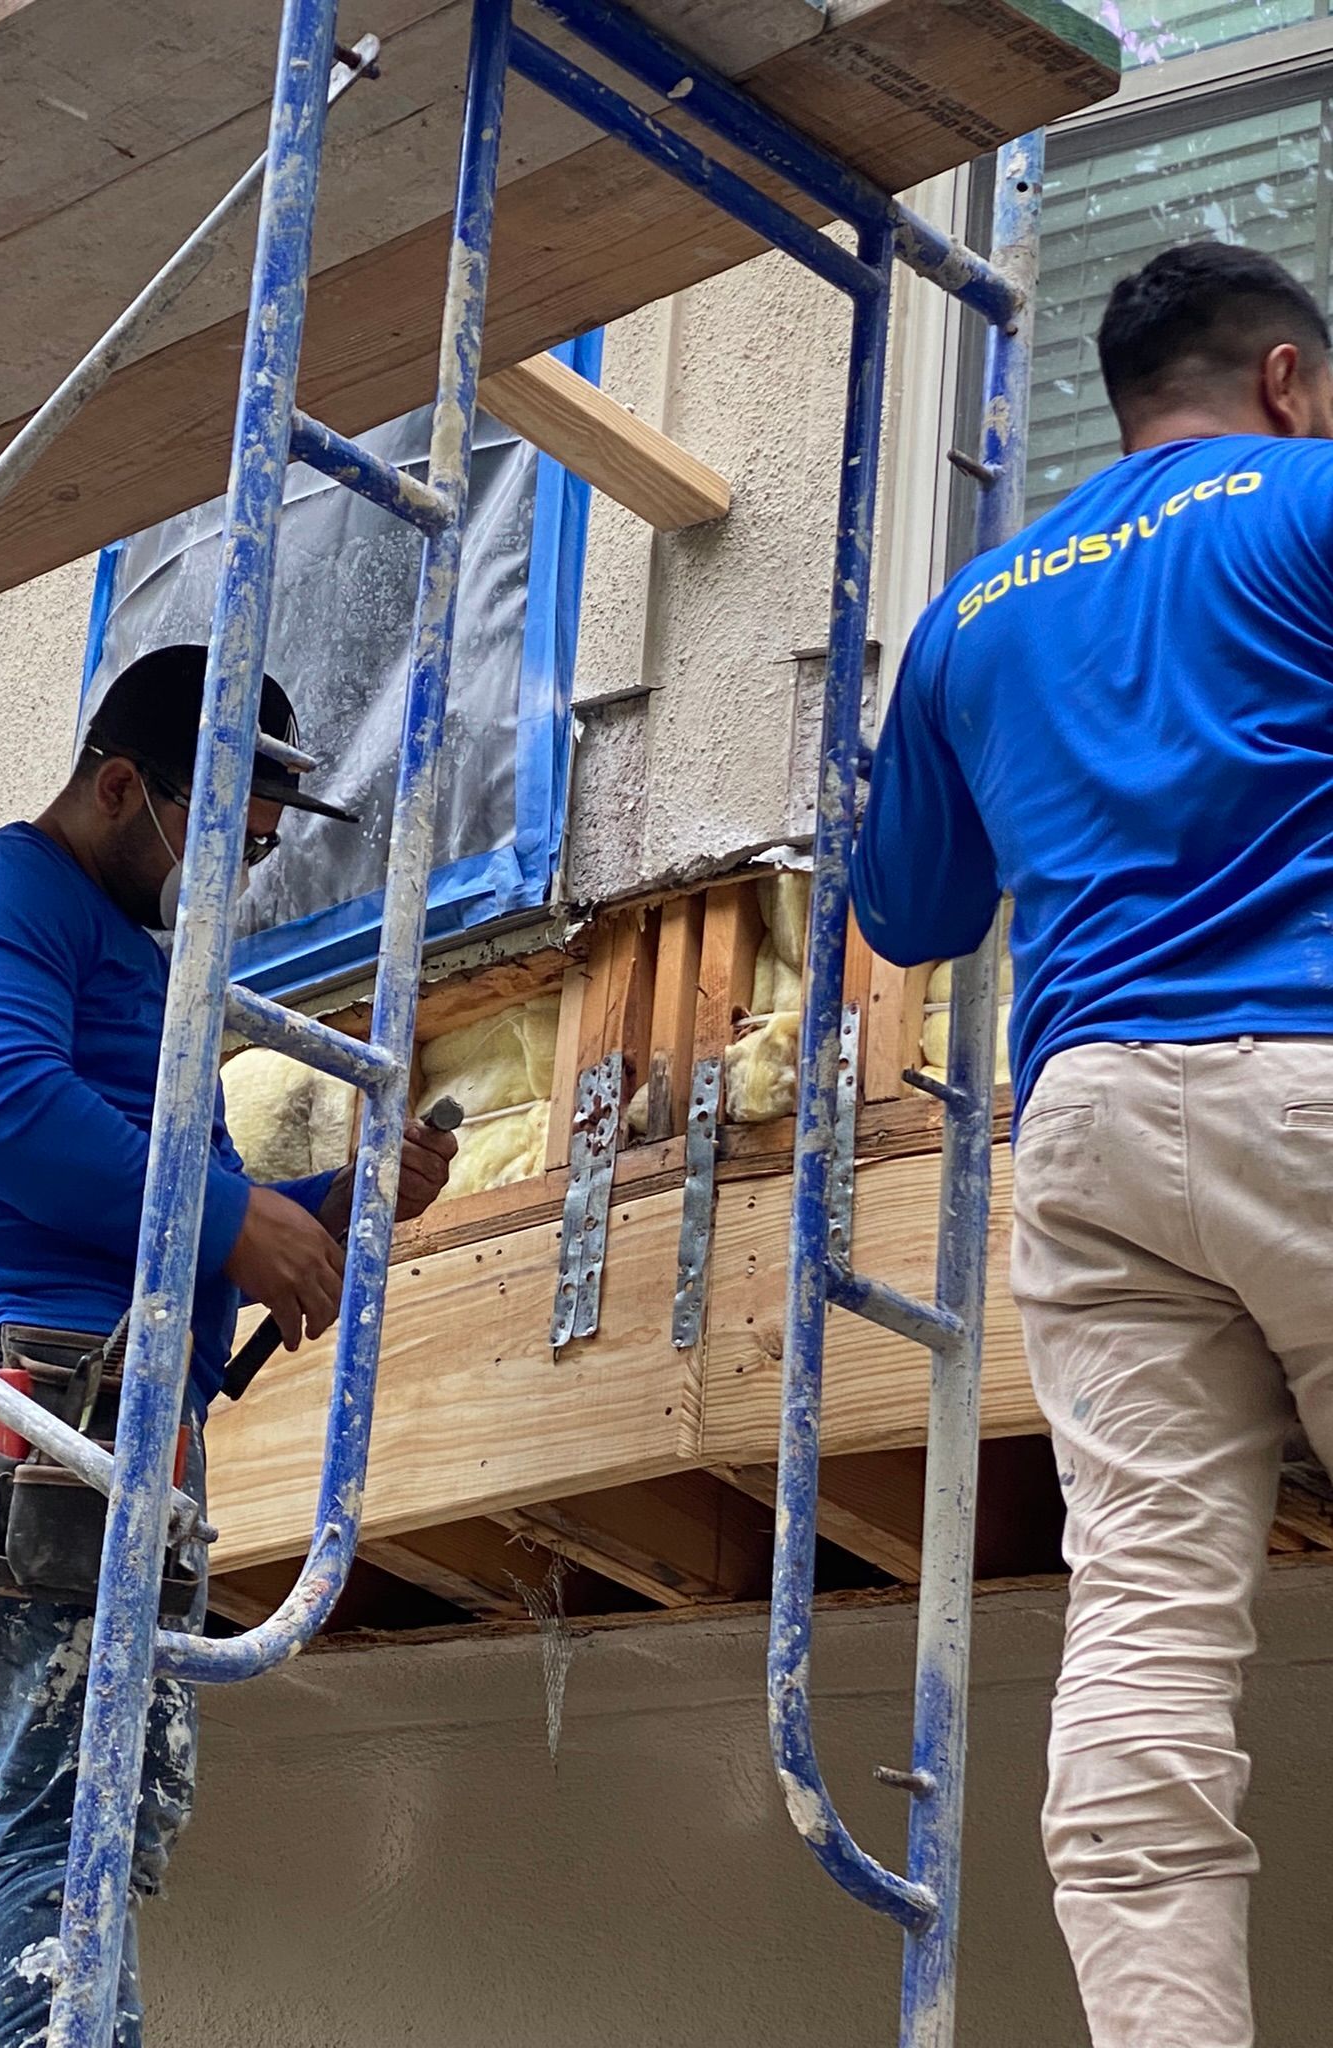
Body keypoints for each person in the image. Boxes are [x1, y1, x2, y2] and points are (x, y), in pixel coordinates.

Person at [0, 644, 456, 2048]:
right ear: (118, 787)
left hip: (28, 1411)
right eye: (215, 838)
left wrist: (334, 1209)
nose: (225, 879)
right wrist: (237, 1229)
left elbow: (162, 1191)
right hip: (32, 1402)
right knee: (75, 1823)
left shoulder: (122, 955)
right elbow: (5, 1113)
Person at [851, 241, 1333, 2048]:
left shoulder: (978, 612)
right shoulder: (1311, 501)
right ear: (1286, 382)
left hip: (1095, 1128)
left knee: (1144, 1617)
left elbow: (907, 913)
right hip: (1314, 1071)